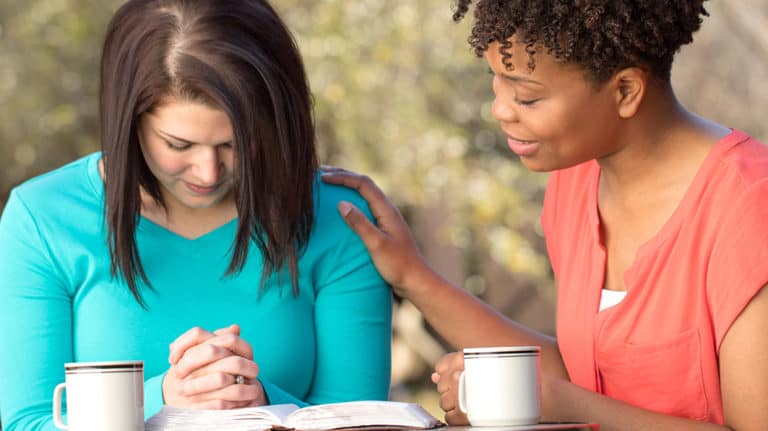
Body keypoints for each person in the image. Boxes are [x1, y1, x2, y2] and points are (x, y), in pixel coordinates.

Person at [321, 0, 768, 430]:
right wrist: (411, 276)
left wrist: (556, 403)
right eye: (495, 82)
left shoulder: (749, 207)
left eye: (527, 98)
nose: (500, 110)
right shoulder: (574, 183)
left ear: (626, 91)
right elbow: (584, 373)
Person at [0, 0, 393, 430]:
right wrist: (163, 399)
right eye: (179, 145)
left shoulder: (337, 217)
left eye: (233, 145)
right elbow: (27, 422)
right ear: (130, 121)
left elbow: (364, 419)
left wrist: (257, 402)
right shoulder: (43, 218)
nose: (208, 172)